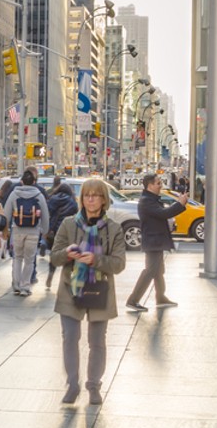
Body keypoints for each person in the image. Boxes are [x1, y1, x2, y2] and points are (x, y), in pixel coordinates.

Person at [50, 178, 127, 405]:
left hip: (100, 290)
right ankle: (72, 385)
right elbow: (54, 257)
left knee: (97, 342)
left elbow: (119, 264)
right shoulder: (68, 224)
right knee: (70, 338)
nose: (90, 199)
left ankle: (94, 386)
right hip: (70, 289)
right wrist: (67, 253)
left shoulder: (113, 229)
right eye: (86, 195)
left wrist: (96, 259)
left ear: (104, 200)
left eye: (95, 195)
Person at [126, 173, 187, 311]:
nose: (161, 186)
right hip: (153, 240)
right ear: (150, 186)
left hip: (156, 240)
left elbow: (162, 213)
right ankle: (133, 300)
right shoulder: (146, 201)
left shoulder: (151, 199)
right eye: (158, 183)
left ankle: (160, 297)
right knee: (150, 271)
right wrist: (180, 204)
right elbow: (164, 214)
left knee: (159, 270)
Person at [4, 169, 49, 296]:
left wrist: (5, 229)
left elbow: (6, 214)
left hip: (17, 230)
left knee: (17, 257)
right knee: (29, 260)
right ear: (34, 182)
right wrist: (45, 231)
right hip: (33, 232)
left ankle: (16, 284)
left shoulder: (14, 194)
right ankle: (25, 286)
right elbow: (45, 215)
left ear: (22, 181)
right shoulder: (39, 195)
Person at [44, 181, 79, 290]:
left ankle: (51, 272)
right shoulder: (72, 202)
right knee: (69, 255)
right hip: (67, 232)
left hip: (53, 231)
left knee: (54, 254)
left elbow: (48, 213)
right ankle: (67, 279)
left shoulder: (52, 199)